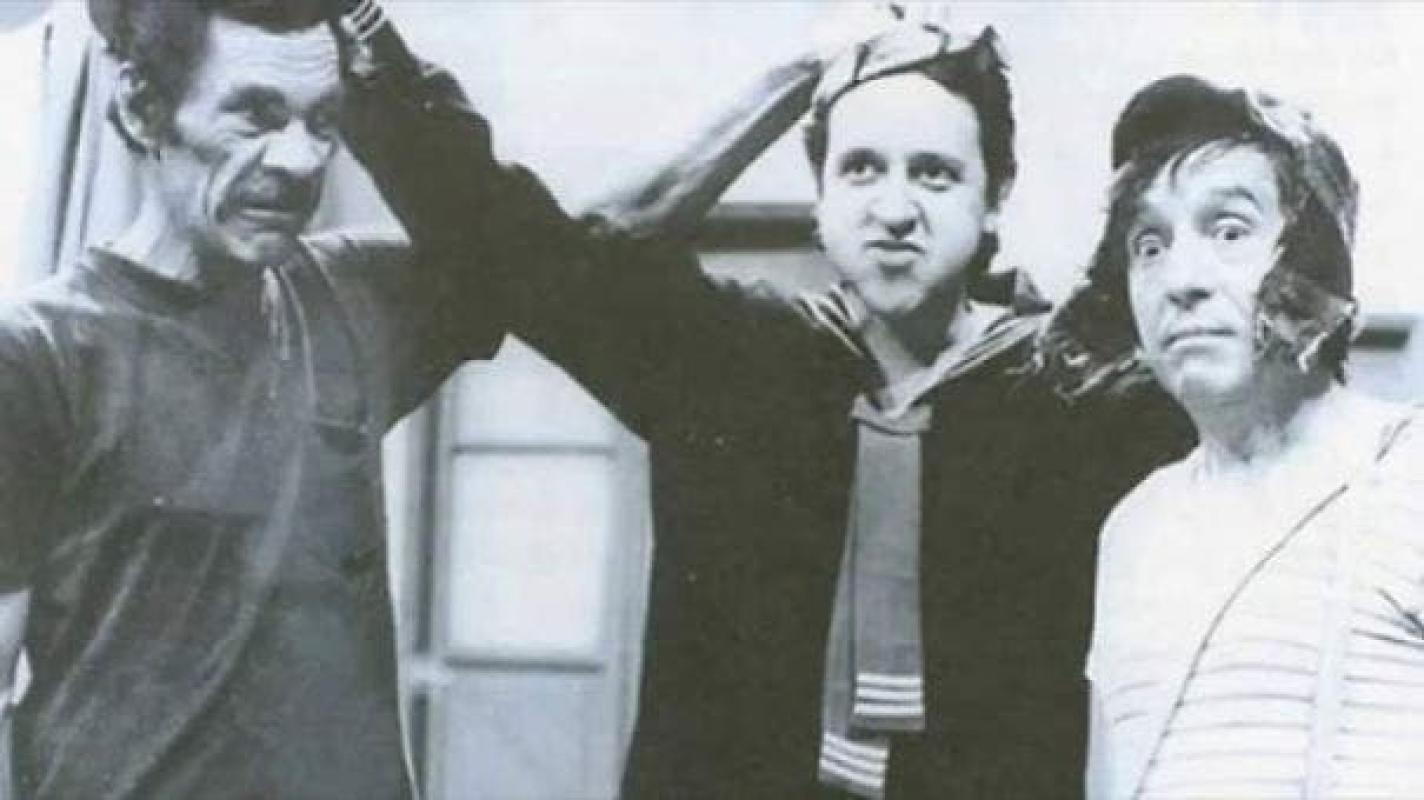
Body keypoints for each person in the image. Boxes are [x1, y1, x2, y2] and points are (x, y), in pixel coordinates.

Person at [361, 13, 1190, 796]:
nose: (894, 210)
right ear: (819, 196)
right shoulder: (730, 357)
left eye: (935, 174)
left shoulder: (1079, 400)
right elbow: (520, 243)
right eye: (860, 169)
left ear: (995, 198)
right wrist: (796, 74)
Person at [0, 0, 647, 795]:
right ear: (142, 107)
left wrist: (778, 90)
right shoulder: (37, 355)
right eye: (256, 115)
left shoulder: (351, 298)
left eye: (323, 122)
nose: (301, 160)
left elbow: (577, 255)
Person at [1070, 75, 1424, 798]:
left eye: (1229, 231)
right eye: (1149, 247)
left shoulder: (1406, 470)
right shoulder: (1133, 529)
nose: (1181, 281)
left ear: (1315, 261)